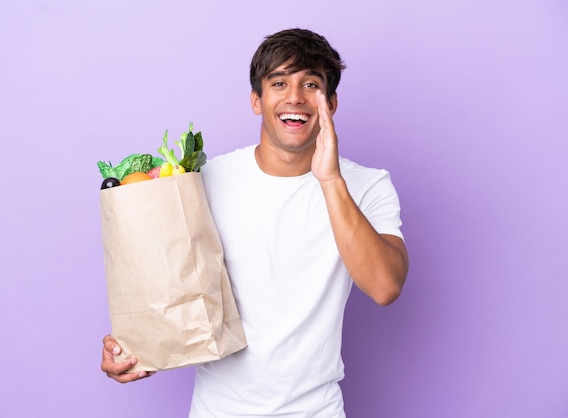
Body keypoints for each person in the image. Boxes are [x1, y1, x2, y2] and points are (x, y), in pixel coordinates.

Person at [101, 28, 409, 417]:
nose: (294, 97)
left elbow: (385, 286)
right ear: (256, 100)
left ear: (330, 103)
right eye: (278, 83)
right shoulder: (204, 181)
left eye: (310, 84)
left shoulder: (366, 185)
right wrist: (135, 346)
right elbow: (167, 286)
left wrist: (330, 180)